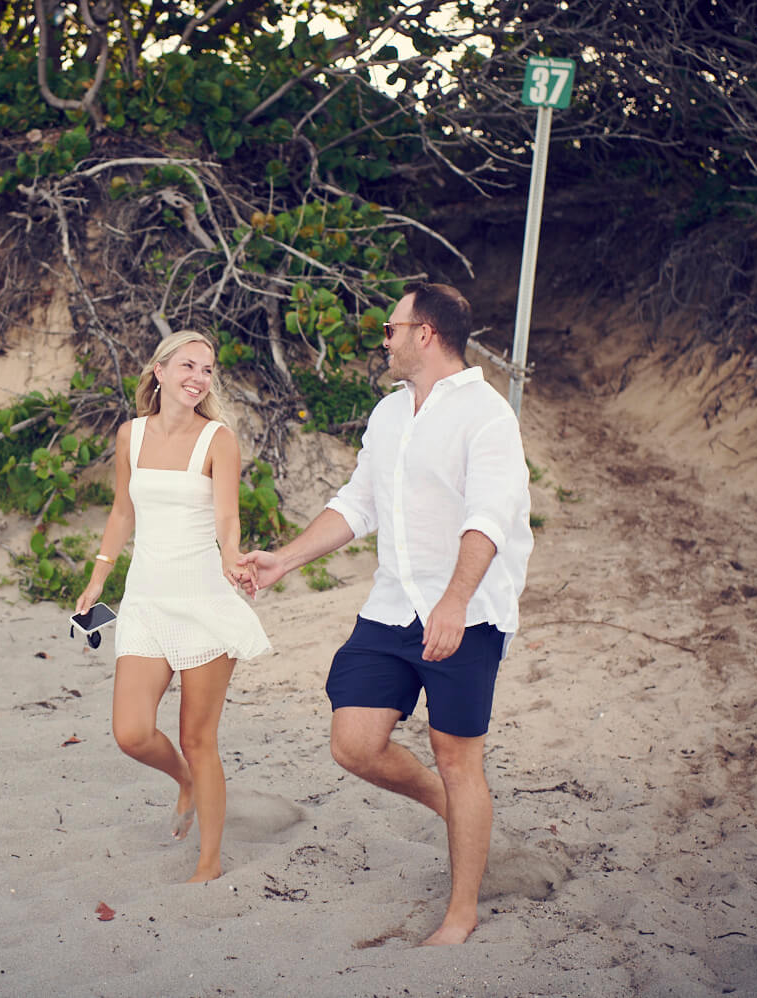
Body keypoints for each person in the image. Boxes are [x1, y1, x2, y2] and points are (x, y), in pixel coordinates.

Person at [239, 282, 533, 944]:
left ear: (425, 334)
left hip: (468, 609)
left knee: (458, 756)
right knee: (354, 743)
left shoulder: (487, 416)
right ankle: (447, 806)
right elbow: (358, 503)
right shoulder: (389, 415)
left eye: (392, 329)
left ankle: (461, 912)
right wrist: (285, 559)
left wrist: (455, 601)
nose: (384, 339)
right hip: (393, 605)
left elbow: (491, 515)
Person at [75, 330, 271, 884]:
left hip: (202, 600)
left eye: (207, 370)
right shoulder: (130, 435)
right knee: (131, 732)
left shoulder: (219, 439)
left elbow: (227, 519)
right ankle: (184, 781)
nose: (198, 378)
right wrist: (98, 579)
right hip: (144, 602)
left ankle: (209, 862)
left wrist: (234, 558)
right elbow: (120, 513)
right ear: (158, 371)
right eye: (188, 365)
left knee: (198, 737)